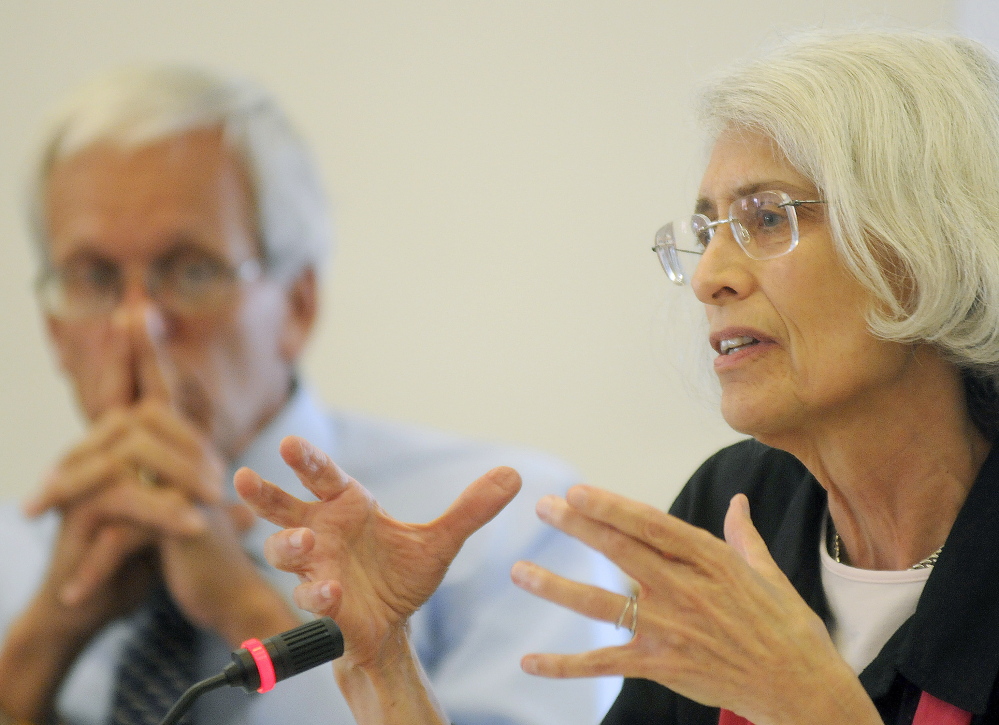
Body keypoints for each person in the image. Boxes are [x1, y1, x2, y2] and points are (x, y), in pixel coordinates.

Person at [235, 28, 999, 725]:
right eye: (704, 232)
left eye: (766, 217)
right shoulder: (736, 506)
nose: (709, 276)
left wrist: (809, 704)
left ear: (919, 245)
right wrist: (382, 664)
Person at [0, 65, 623, 725]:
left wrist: (253, 614)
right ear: (52, 327)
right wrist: (42, 646)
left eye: (189, 269)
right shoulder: (16, 556)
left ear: (298, 302)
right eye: (93, 277)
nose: (137, 323)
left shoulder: (507, 528)